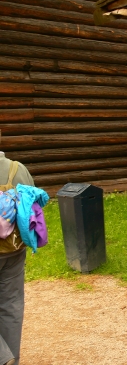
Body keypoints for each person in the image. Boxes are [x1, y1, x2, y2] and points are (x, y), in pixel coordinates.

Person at [0, 150, 34, 365]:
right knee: (11, 305)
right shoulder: (17, 168)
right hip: (13, 248)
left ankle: (3, 357)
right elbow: (33, 203)